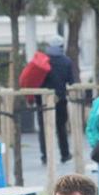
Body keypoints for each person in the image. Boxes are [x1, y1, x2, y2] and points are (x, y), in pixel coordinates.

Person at [38, 35, 77, 165]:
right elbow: (71, 81)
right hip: (60, 99)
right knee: (61, 128)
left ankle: (45, 156)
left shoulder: (43, 61)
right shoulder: (67, 61)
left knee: (44, 129)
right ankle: (65, 154)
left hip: (43, 100)